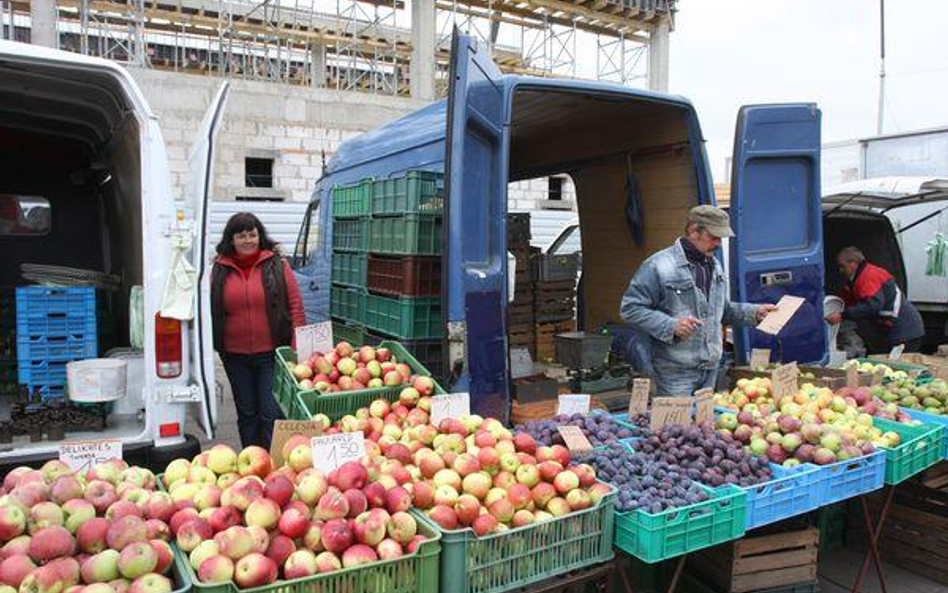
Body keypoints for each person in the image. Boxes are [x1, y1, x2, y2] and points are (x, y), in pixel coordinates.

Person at [620, 205, 776, 396]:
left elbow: (722, 311)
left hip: (710, 369)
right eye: (714, 237)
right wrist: (671, 326)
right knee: (677, 426)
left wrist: (754, 312)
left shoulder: (714, 266)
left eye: (721, 238)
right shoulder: (659, 265)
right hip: (675, 372)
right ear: (693, 231)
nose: (719, 243)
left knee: (703, 425)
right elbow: (631, 308)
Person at [211, 212, 306, 448]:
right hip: (234, 355)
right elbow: (209, 308)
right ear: (230, 240)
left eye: (252, 235)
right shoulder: (219, 269)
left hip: (272, 354)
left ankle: (274, 464)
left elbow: (295, 305)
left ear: (259, 236)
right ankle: (251, 460)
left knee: (271, 413)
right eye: (241, 236)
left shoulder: (277, 265)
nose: (248, 240)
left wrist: (296, 348)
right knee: (247, 414)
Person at [826, 246, 924, 353]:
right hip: (898, 330)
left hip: (904, 333)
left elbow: (872, 305)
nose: (841, 271)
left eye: (842, 266)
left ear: (853, 263)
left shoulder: (868, 276)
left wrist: (842, 315)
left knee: (893, 365)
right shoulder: (857, 279)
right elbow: (845, 299)